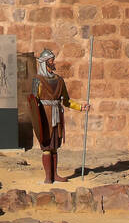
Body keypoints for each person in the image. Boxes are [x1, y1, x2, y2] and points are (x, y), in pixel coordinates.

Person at [28, 48, 90, 183]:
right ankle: (48, 177)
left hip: (57, 115)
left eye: (53, 60)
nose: (53, 62)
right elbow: (33, 101)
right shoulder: (37, 80)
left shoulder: (59, 80)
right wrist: (37, 118)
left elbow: (66, 101)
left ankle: (55, 175)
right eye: (51, 60)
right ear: (44, 63)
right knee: (46, 146)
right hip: (45, 116)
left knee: (55, 146)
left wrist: (81, 107)